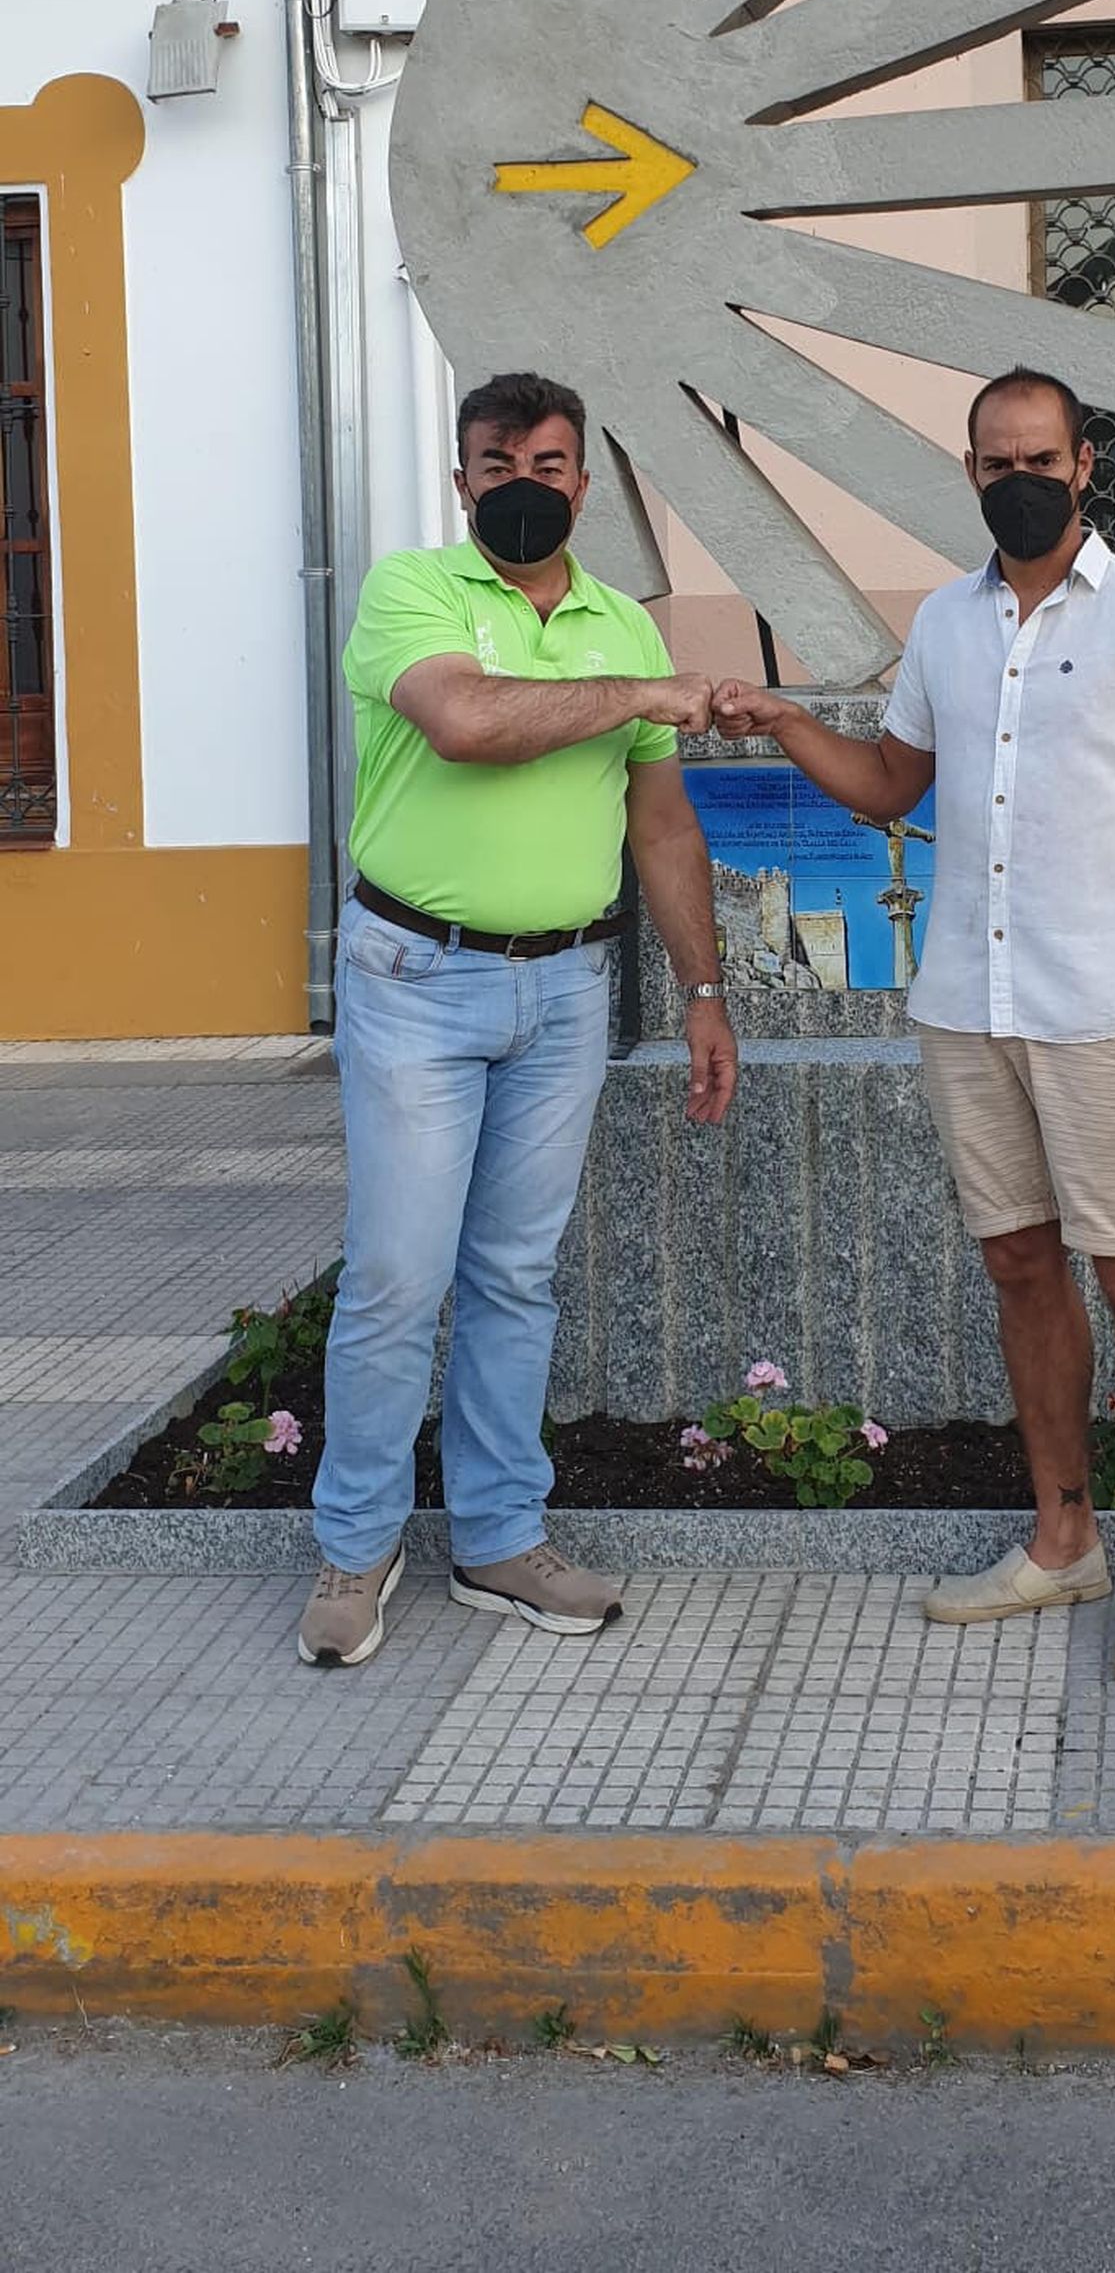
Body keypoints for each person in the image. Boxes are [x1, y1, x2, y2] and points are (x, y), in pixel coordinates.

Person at [714, 366, 1115, 1686]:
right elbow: (892, 781)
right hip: (968, 1004)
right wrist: (791, 721)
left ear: (1085, 466)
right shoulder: (947, 625)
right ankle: (1062, 1535)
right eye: (994, 459)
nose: (1018, 477)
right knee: (1021, 1270)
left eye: (1041, 457)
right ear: (970, 472)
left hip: (1101, 1015)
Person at [298, 371, 736, 1670]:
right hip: (417, 980)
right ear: (462, 481)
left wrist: (704, 992)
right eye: (501, 465)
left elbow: (660, 824)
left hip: (564, 994)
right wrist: (635, 700)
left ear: (585, 485)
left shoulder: (623, 625)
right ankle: (356, 1546)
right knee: (396, 1276)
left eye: (552, 465)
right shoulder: (414, 594)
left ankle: (499, 1535)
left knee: (514, 1276)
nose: (527, 485)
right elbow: (469, 722)